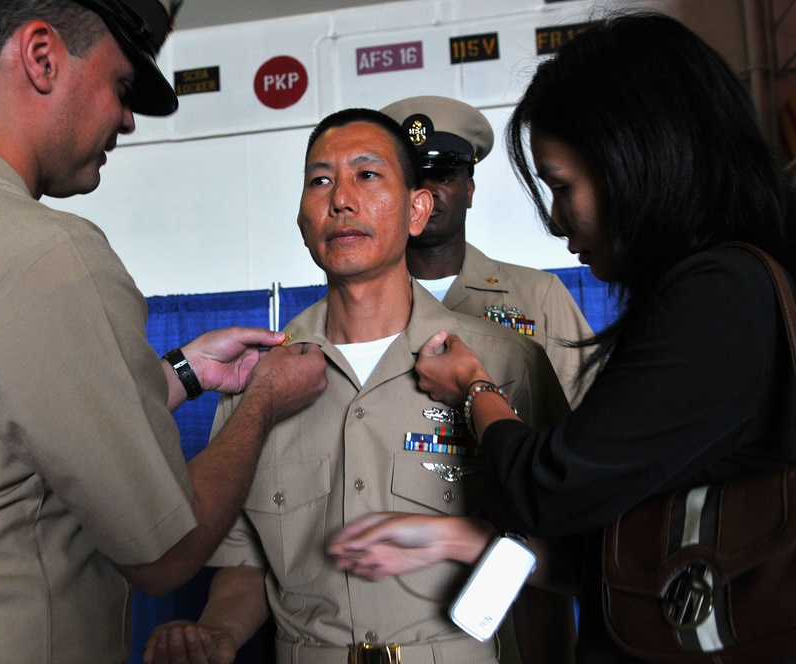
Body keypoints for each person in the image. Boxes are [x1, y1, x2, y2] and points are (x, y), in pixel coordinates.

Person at [0, 1, 328, 662]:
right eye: (121, 86)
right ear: (42, 58)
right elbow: (166, 549)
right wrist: (262, 403)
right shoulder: (40, 254)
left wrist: (182, 373)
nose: (127, 119)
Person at [329, 11, 796, 663]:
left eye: (561, 186)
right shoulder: (300, 351)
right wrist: (456, 540)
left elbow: (557, 488)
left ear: (636, 161)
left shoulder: (719, 296)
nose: (554, 221)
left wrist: (476, 389)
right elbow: (626, 539)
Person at [142, 108, 572, 664]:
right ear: (302, 220)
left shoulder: (502, 364)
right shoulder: (262, 377)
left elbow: (559, 552)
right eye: (320, 181)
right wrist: (219, 632)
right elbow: (246, 557)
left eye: (367, 175)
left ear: (418, 210)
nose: (341, 198)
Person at [380, 96, 597, 407]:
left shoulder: (540, 295)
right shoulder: (361, 303)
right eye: (412, 180)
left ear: (468, 191)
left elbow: (586, 413)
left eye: (443, 177)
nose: (427, 194)